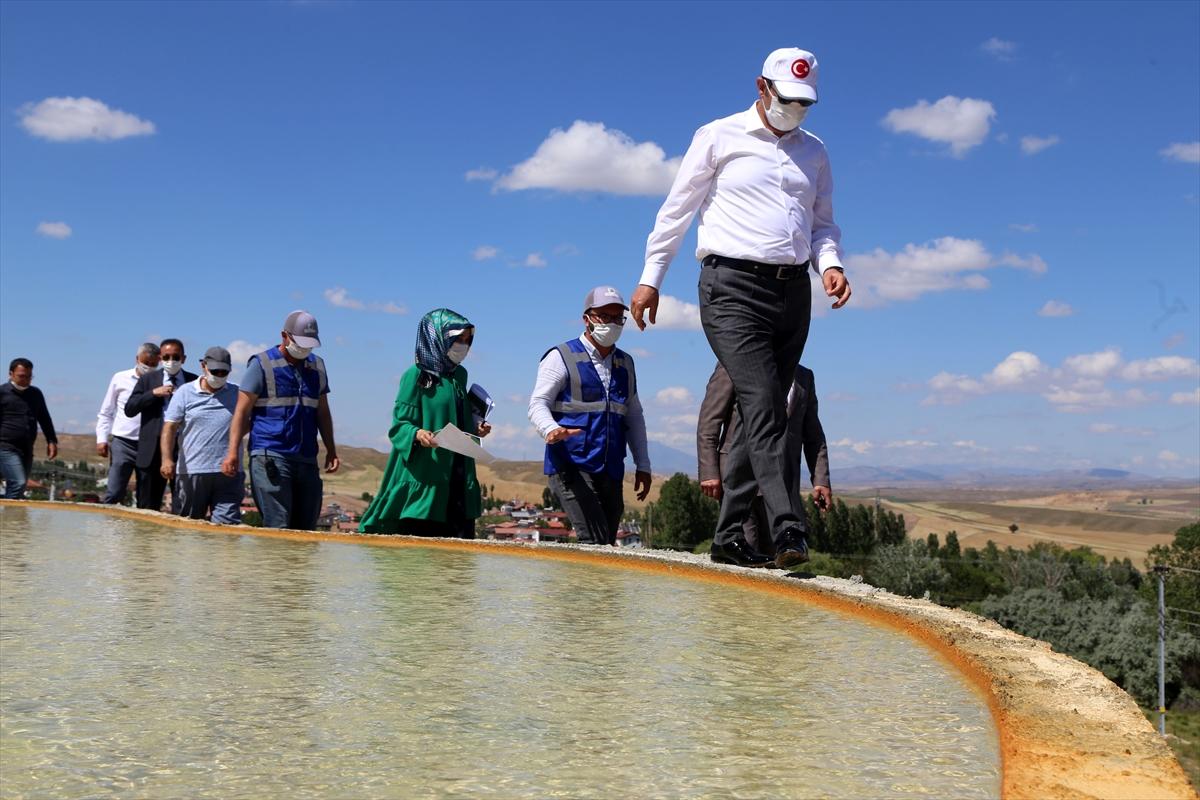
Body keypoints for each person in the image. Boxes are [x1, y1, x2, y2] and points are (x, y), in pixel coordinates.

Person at [630, 47, 852, 569]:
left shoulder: (815, 152)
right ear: (762, 88)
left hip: (793, 291)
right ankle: (789, 530)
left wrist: (831, 264)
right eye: (788, 99)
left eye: (805, 103)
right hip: (730, 288)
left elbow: (822, 224)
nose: (796, 110)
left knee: (762, 414)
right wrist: (649, 279)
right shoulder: (718, 136)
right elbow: (676, 213)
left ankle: (727, 536)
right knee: (765, 402)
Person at [528, 286, 652, 546]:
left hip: (610, 467)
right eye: (604, 316)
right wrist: (550, 429)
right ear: (587, 319)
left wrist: (643, 464)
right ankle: (584, 588)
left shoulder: (625, 364)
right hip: (571, 464)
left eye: (618, 318)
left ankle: (588, 588)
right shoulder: (560, 357)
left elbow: (634, 417)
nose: (612, 323)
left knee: (606, 542)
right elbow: (538, 403)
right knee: (593, 541)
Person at [359, 309, 490, 536]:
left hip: (458, 476)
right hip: (425, 476)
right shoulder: (415, 375)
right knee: (419, 559)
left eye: (468, 340)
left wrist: (475, 427)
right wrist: (418, 434)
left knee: (458, 562)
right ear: (438, 337)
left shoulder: (459, 376)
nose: (464, 346)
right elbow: (399, 425)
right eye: (458, 339)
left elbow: (456, 419)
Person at [696, 362, 831, 559]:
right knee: (744, 551)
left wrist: (820, 478)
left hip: (781, 488)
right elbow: (710, 420)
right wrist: (709, 471)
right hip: (738, 480)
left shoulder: (804, 377)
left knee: (777, 556)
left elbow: (813, 435)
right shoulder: (733, 364)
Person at [223, 311, 339, 530]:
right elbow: (241, 412)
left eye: (309, 345)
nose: (304, 349)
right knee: (279, 525)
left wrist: (331, 450)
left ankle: (298, 566)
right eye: (300, 343)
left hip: (306, 456)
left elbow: (322, 412)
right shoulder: (261, 365)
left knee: (306, 528)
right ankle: (274, 566)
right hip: (270, 454)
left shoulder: (317, 367)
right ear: (285, 336)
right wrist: (232, 453)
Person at [161, 347, 242, 524]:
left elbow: (248, 423)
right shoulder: (184, 392)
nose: (219, 375)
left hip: (228, 473)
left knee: (227, 527)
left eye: (224, 372)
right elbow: (170, 427)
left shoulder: (237, 393)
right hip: (193, 471)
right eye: (215, 371)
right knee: (189, 528)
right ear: (203, 366)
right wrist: (167, 459)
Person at [124, 338, 197, 512]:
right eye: (166, 357)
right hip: (151, 451)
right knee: (147, 507)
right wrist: (153, 393)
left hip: (184, 448)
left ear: (184, 358)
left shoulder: (193, 382)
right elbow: (130, 409)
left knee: (183, 506)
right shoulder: (148, 380)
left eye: (175, 357)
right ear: (160, 358)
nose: (171, 361)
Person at [97, 343, 160, 504]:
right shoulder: (120, 378)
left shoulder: (160, 382)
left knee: (145, 495)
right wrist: (102, 438)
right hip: (123, 443)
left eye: (153, 364)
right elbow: (107, 410)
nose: (149, 367)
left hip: (149, 445)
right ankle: (109, 526)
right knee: (115, 491)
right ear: (137, 359)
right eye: (146, 363)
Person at [0, 358, 58, 499]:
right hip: (4, 446)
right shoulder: (2, 393)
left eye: (29, 376)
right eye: (21, 376)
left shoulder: (35, 394)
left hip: (26, 448)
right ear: (11, 374)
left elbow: (44, 418)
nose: (26, 380)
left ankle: (8, 519)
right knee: (18, 482)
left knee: (20, 488)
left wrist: (51, 440)